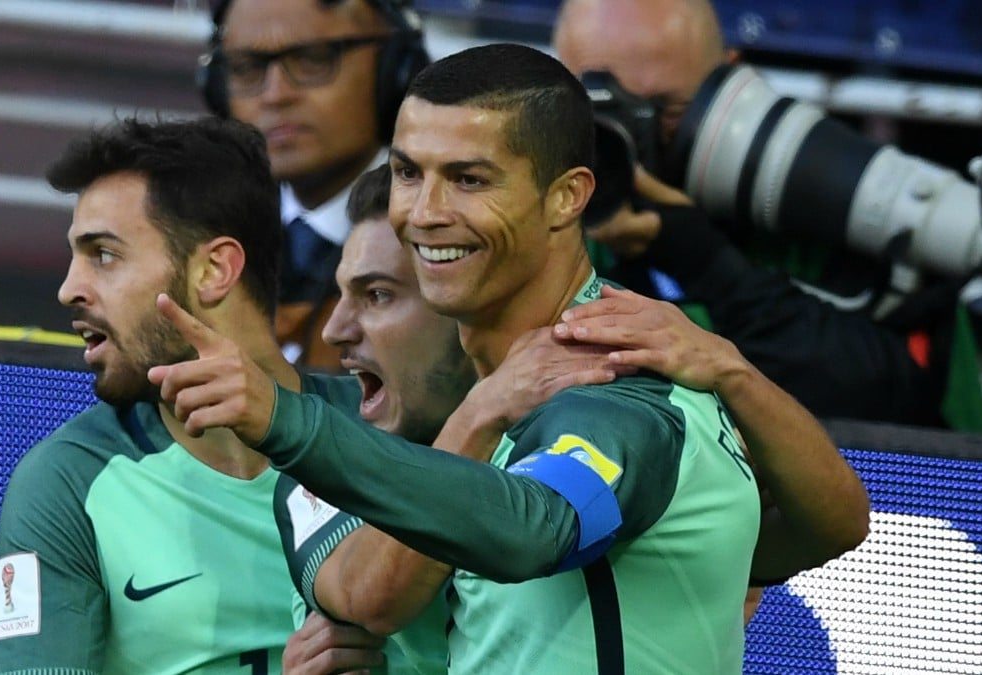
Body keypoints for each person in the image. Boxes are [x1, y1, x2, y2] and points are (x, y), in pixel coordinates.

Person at [151, 44, 766, 673]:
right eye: (409, 173)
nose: (424, 214)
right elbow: (373, 600)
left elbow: (535, 530)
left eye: (468, 179)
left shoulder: (614, 389)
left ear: (565, 198)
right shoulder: (416, 417)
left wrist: (282, 421)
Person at [280, 164, 869, 671]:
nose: (336, 330)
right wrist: (479, 414)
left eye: (377, 295)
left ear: (456, 297)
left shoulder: (606, 417)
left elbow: (833, 527)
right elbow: (370, 596)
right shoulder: (329, 442)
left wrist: (733, 371)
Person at [553, 0, 982, 432]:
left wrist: (704, 261)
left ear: (731, 84)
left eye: (662, 112)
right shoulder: (536, 219)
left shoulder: (825, 204)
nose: (625, 140)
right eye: (595, 114)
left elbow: (879, 403)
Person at [0, 114, 325, 674]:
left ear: (215, 270)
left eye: (104, 254)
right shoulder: (67, 481)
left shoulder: (379, 432)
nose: (70, 288)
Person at [200, 0, 430, 370]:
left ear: (396, 70)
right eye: (247, 68)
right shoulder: (203, 236)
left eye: (314, 59)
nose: (275, 95)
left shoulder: (440, 236)